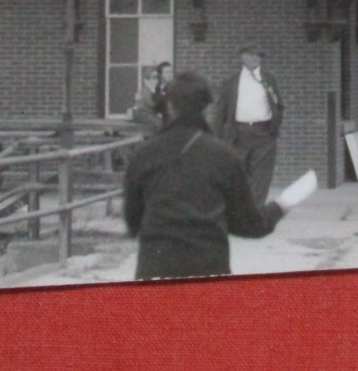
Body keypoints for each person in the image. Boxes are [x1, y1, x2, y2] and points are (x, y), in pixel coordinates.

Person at [123, 70, 288, 280]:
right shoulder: (223, 156)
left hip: (156, 268)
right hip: (207, 266)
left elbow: (132, 222)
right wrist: (281, 206)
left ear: (170, 106)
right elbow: (248, 224)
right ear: (205, 107)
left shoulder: (143, 154)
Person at [212, 43, 285, 206]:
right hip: (238, 134)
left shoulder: (268, 79)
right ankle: (238, 208)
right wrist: (217, 138)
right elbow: (220, 113)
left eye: (258, 55)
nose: (254, 58)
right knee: (237, 173)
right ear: (242, 57)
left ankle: (254, 210)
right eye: (250, 54)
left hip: (263, 134)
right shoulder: (230, 82)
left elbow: (278, 104)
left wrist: (274, 129)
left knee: (261, 176)